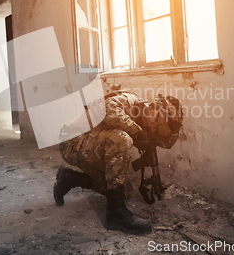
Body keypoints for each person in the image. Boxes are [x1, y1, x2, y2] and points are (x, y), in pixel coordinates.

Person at [53, 90, 183, 235]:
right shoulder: (131, 99)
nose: (153, 129)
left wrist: (176, 124)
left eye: (157, 127)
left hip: (89, 148)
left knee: (125, 190)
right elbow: (108, 109)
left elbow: (166, 143)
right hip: (71, 142)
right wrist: (136, 132)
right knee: (121, 139)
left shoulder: (147, 122)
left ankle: (70, 178)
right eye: (156, 122)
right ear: (153, 109)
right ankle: (115, 215)